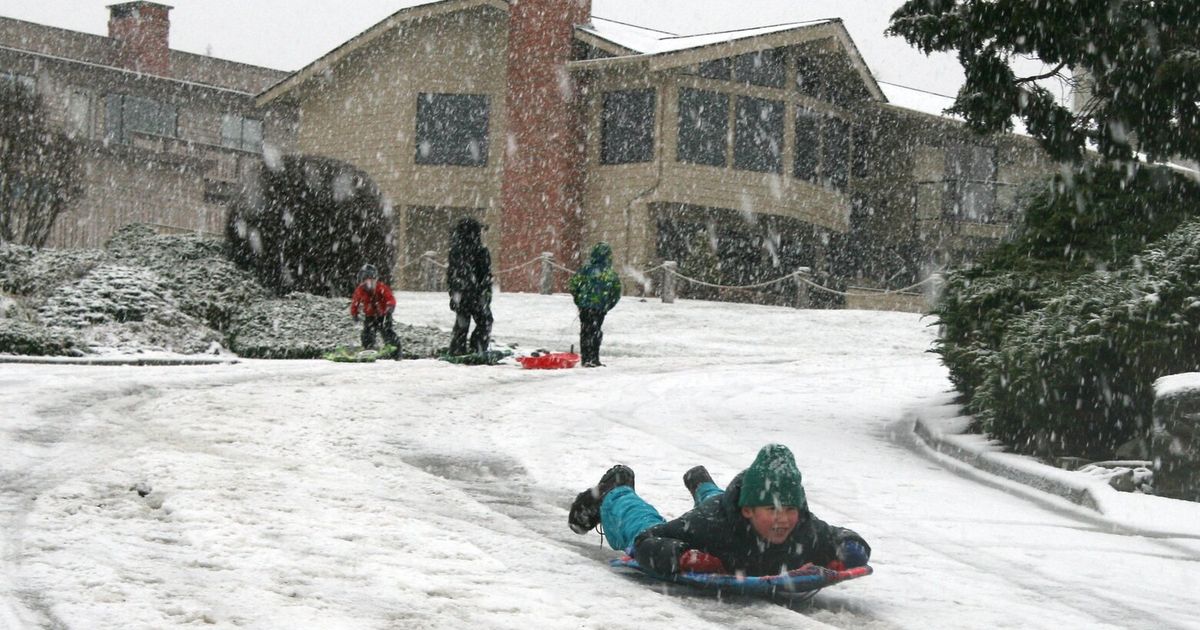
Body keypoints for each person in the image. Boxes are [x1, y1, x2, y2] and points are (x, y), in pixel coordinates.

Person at [567, 444, 871, 577]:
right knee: (640, 524)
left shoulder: (803, 527)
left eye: (791, 509)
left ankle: (702, 483)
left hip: (725, 506)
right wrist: (681, 556)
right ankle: (616, 490)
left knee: (719, 500)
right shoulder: (708, 527)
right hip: (717, 516)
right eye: (773, 509)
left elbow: (839, 536)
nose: (783, 518)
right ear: (748, 510)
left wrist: (850, 549)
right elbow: (646, 541)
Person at [568, 242, 621, 367]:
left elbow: (573, 285)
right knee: (595, 331)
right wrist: (607, 305)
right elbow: (616, 292)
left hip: (585, 306)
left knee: (585, 331)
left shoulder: (585, 270)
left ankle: (585, 358)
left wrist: (579, 300)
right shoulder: (610, 274)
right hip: (599, 308)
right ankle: (594, 358)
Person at [446, 217, 493, 355]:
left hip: (463, 294)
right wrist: (485, 292)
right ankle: (477, 347)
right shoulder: (480, 251)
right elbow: (485, 275)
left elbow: (452, 276)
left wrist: (455, 295)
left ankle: (458, 349)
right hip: (475, 295)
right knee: (484, 322)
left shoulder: (456, 251)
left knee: (463, 323)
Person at [350, 263, 401, 357]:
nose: (368, 283)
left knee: (387, 331)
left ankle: (395, 350)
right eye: (365, 280)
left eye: (371, 280)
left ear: (375, 279)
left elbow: (390, 298)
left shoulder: (381, 288)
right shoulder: (360, 290)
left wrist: (390, 307)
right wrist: (354, 313)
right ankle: (368, 348)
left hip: (384, 314)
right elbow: (355, 302)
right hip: (370, 315)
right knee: (367, 332)